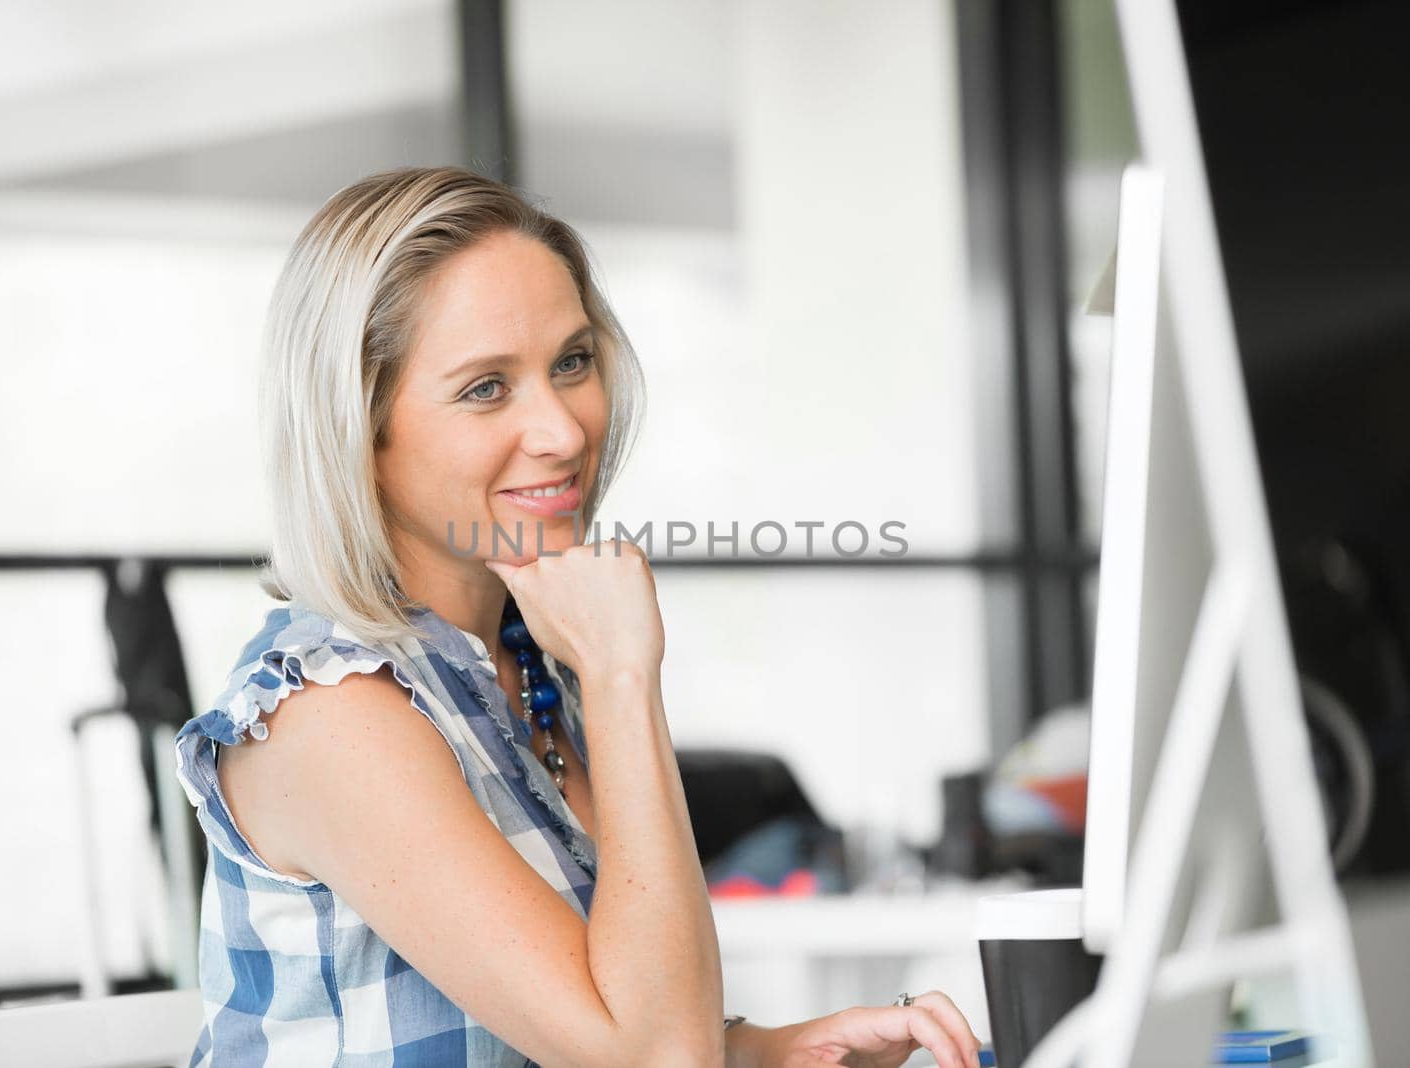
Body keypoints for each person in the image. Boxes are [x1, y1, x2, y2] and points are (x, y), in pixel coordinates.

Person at [174, 166, 982, 1067]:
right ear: (359, 425)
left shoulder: (528, 661)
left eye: (572, 361)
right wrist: (625, 674)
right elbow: (651, 1061)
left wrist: (763, 1053)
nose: (562, 430)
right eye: (486, 387)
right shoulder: (330, 711)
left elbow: (611, 1012)